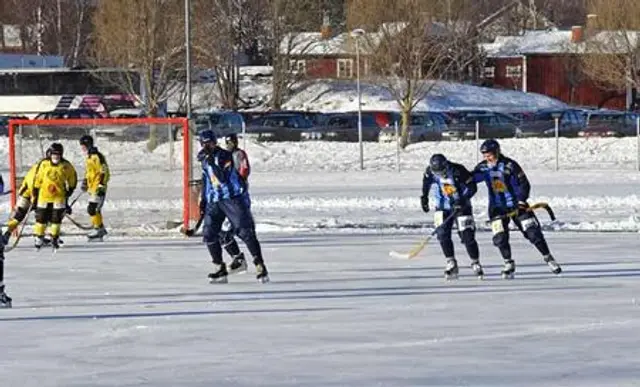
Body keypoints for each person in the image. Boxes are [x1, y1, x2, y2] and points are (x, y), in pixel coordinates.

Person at [473, 139, 562, 279]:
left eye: (489, 155)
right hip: (497, 208)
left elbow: (524, 184)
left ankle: (548, 257)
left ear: (496, 152)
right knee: (500, 238)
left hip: (517, 205)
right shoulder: (483, 167)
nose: (486, 158)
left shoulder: (510, 165)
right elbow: (469, 180)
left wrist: (521, 201)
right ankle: (508, 263)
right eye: (484, 155)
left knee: (533, 233)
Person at [197, 130, 269, 283]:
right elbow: (206, 180)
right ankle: (219, 267)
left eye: (208, 143)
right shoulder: (204, 159)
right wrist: (203, 200)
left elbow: (222, 178)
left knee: (245, 231)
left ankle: (259, 264)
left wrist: (211, 162)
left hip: (231, 198)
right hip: (214, 200)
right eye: (203, 144)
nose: (206, 147)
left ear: (214, 142)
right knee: (209, 233)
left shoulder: (224, 156)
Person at [422, 154, 483, 279]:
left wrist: (463, 200)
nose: (440, 175)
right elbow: (426, 183)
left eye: (442, 171)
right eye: (436, 173)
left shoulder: (458, 170)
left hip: (462, 206)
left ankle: (475, 262)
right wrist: (424, 197)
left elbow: (472, 187)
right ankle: (451, 262)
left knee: (467, 236)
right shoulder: (430, 172)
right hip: (442, 207)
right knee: (442, 235)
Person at [32, 143, 78, 250]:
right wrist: (35, 190)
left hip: (59, 196)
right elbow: (38, 178)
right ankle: (39, 237)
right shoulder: (44, 164)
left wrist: (70, 189)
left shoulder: (66, 166)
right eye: (53, 154)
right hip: (44, 196)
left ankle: (54, 237)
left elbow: (72, 177)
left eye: (58, 154)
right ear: (50, 154)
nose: (55, 157)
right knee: (41, 218)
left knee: (56, 219)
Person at [217, 133, 251, 274]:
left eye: (231, 142)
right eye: (227, 142)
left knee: (230, 231)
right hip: (228, 199)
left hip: (238, 199)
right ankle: (238, 259)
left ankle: (246, 259)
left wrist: (236, 182)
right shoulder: (224, 156)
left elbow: (244, 170)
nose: (229, 145)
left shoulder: (239, 155)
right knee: (222, 233)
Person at [2, 150, 50, 245]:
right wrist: (34, 197)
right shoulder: (41, 167)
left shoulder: (48, 167)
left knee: (43, 215)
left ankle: (40, 236)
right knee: (19, 215)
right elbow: (31, 182)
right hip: (28, 194)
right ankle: (7, 234)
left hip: (38, 196)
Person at [79, 135, 110, 241]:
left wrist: (101, 185)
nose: (82, 148)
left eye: (83, 145)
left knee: (93, 209)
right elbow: (89, 172)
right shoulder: (89, 157)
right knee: (93, 209)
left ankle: (99, 229)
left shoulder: (97, 156)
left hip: (98, 187)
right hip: (92, 188)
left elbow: (104, 171)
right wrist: (85, 182)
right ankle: (100, 228)